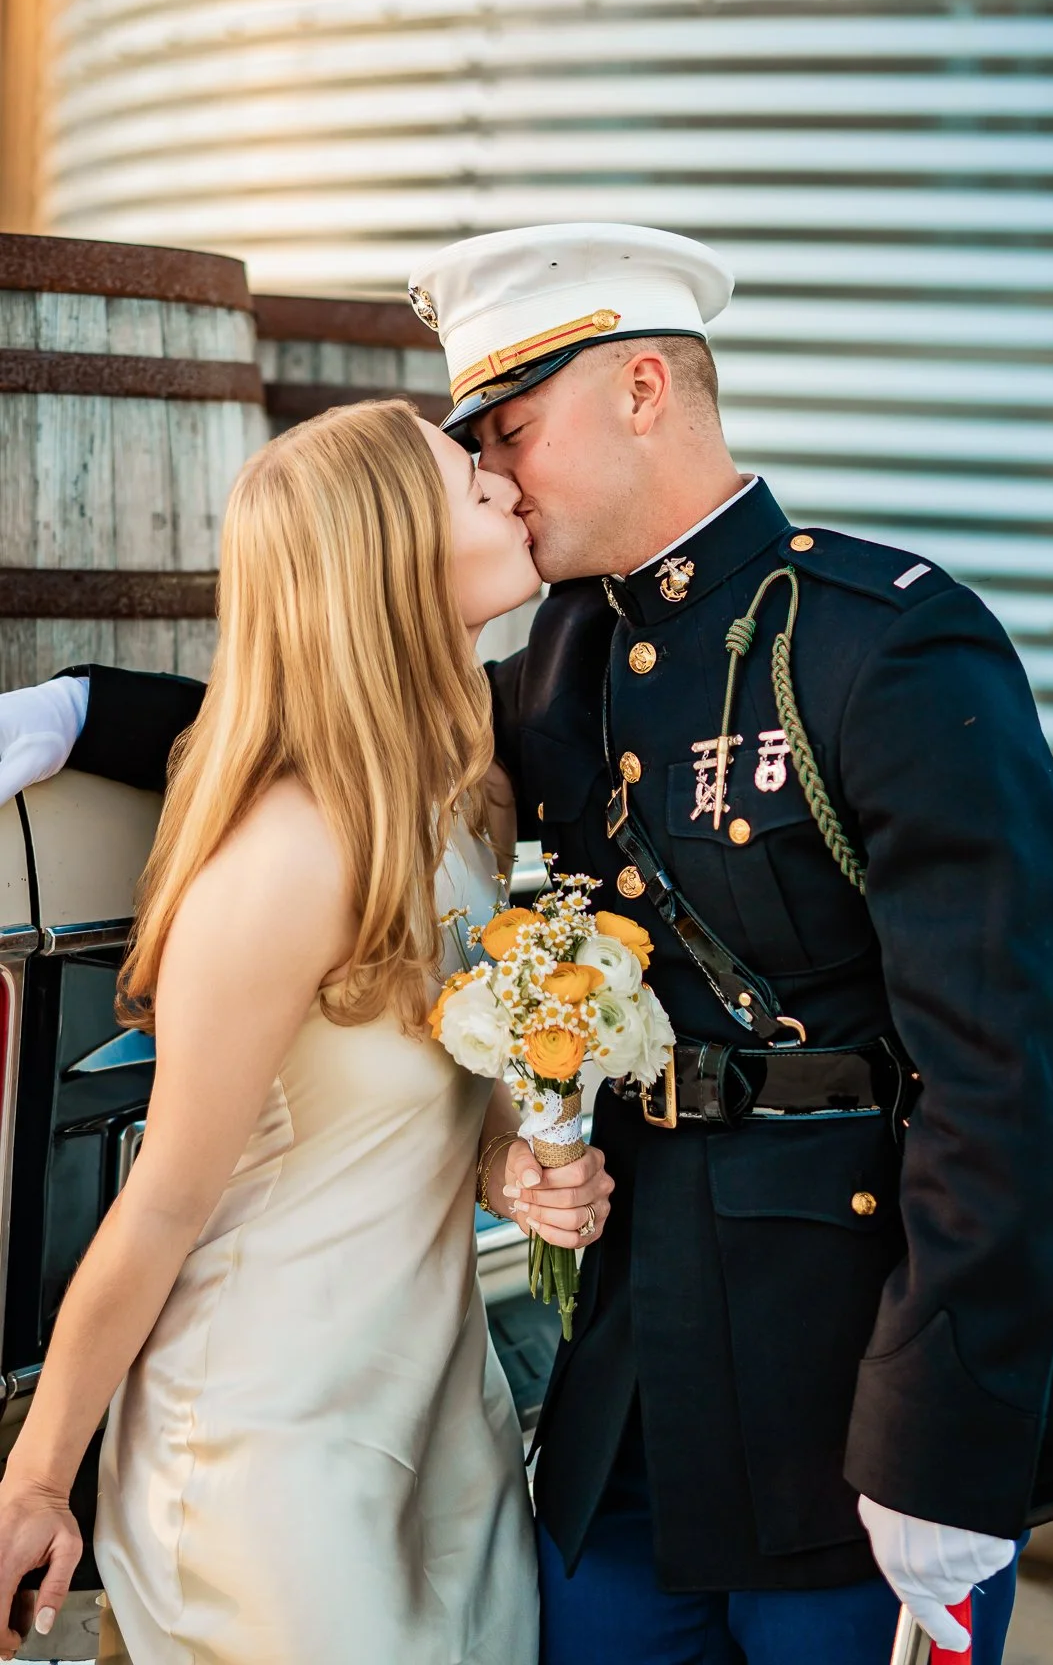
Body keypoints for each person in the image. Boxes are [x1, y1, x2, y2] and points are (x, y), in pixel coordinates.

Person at [1, 224, 1053, 1665]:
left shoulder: (881, 651)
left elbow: (1018, 1074)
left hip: (850, 1402)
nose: (500, 476)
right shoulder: (574, 664)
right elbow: (349, 709)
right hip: (630, 1417)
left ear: (644, 388)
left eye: (512, 430)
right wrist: (91, 711)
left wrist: (944, 1441)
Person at [0, 399, 615, 1664]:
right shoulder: (284, 857)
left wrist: (516, 1167)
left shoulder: (464, 806)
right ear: (384, 557)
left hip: (445, 1436)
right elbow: (161, 1207)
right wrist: (36, 1480)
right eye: (466, 482)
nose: (504, 486)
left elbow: (444, 1098)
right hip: (267, 1460)